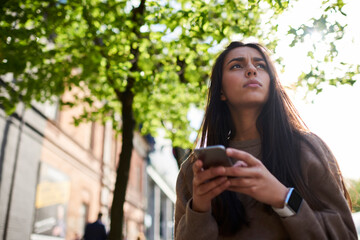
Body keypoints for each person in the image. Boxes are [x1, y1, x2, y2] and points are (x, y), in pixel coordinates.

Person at [174, 41, 357, 239]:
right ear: (221, 92)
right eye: (237, 65)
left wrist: (283, 197)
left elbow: (345, 234)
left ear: (271, 83)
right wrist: (200, 209)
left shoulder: (307, 149)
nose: (252, 70)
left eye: (260, 65)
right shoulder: (196, 170)